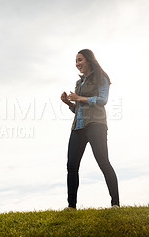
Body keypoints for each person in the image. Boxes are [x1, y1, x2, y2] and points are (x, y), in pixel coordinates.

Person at [61, 49, 119, 209]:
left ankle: (115, 203)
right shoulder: (79, 83)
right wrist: (68, 103)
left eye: (80, 60)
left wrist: (79, 98)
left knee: (103, 162)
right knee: (71, 165)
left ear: (88, 60)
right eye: (76, 61)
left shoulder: (101, 78)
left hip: (96, 124)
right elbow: (78, 109)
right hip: (78, 126)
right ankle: (71, 206)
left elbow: (103, 100)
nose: (77, 64)